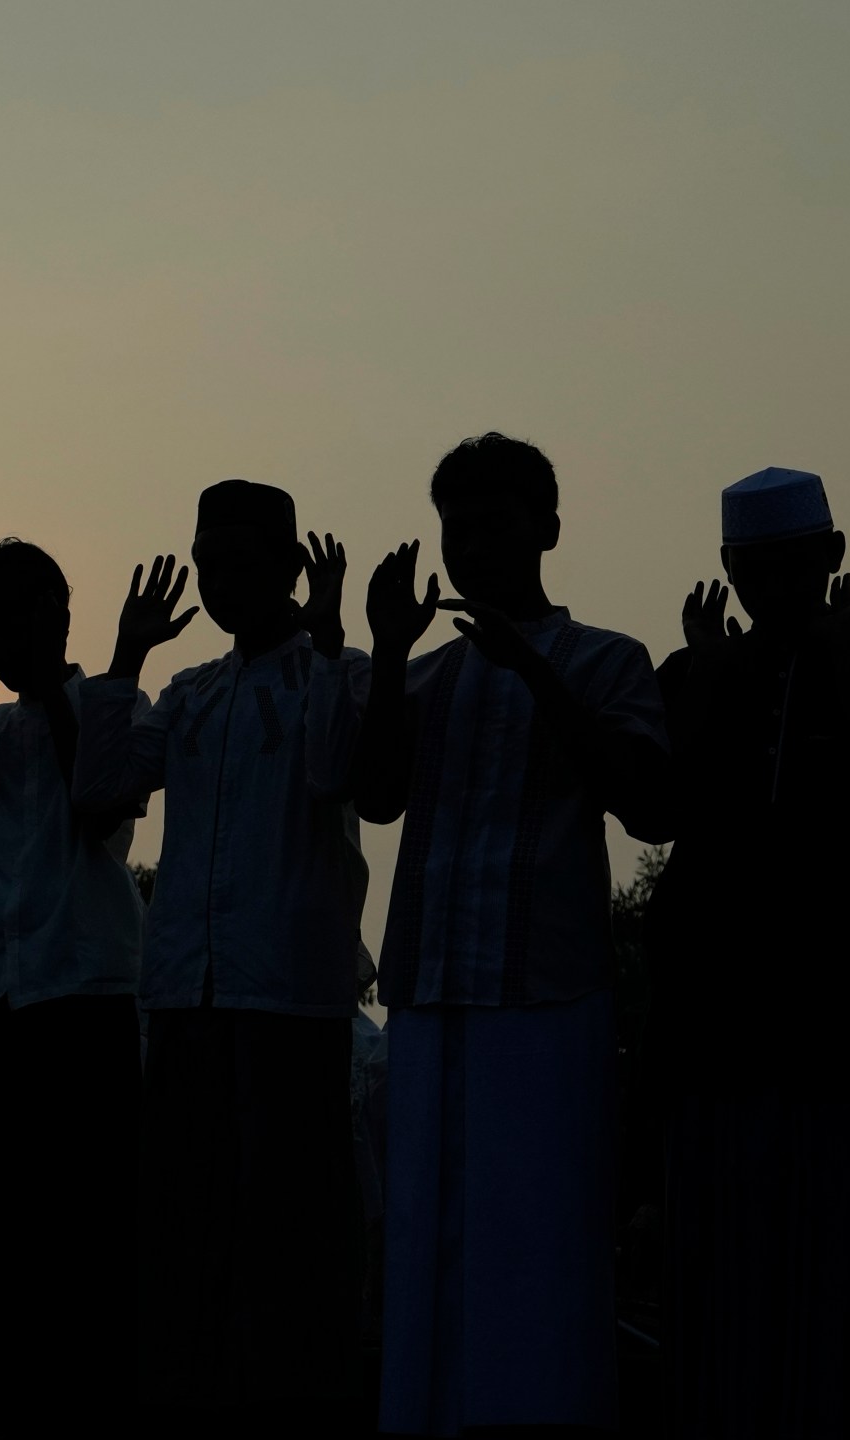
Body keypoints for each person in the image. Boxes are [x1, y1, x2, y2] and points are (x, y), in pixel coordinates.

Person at [355, 434, 668, 1436]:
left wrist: (535, 675)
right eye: (457, 528)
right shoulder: (428, 675)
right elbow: (374, 797)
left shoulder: (604, 659)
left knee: (536, 1233)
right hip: (432, 988)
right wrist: (391, 648)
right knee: (425, 1229)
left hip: (546, 993)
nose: (473, 548)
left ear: (548, 531)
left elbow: (650, 805)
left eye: (495, 525)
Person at [646, 468, 850, 1435]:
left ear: (833, 557)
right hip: (719, 1031)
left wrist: (841, 651)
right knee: (726, 1283)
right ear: (728, 572)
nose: (772, 590)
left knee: (848, 1277)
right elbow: (661, 805)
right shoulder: (694, 670)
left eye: (792, 567)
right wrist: (704, 670)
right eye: (753, 571)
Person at [73, 482, 366, 1431]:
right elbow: (102, 796)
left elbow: (337, 772)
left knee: (289, 1214)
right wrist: (125, 658)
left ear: (290, 569)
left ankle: (293, 1401)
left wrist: (327, 642)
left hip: (289, 987)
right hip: (187, 988)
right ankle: (188, 1396)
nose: (222, 580)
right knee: (185, 1211)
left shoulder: (344, 673)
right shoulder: (189, 691)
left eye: (244, 563)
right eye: (210, 563)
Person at [0, 538, 144, 1433]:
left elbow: (97, 812)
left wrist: (49, 685)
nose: (0, 645)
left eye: (14, 625)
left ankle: (86, 1402)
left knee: (82, 1223)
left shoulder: (103, 704)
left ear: (54, 621)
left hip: (81, 989)